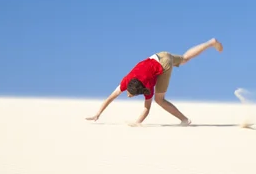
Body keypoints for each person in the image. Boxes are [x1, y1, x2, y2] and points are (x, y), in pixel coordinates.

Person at [85, 38, 223, 126]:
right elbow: (110, 98)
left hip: (164, 65)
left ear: (140, 91)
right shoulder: (126, 81)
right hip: (161, 54)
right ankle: (210, 43)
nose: (127, 95)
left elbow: (147, 109)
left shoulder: (148, 86)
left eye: (130, 95)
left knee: (159, 100)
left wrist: (136, 123)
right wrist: (98, 113)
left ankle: (185, 120)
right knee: (185, 58)